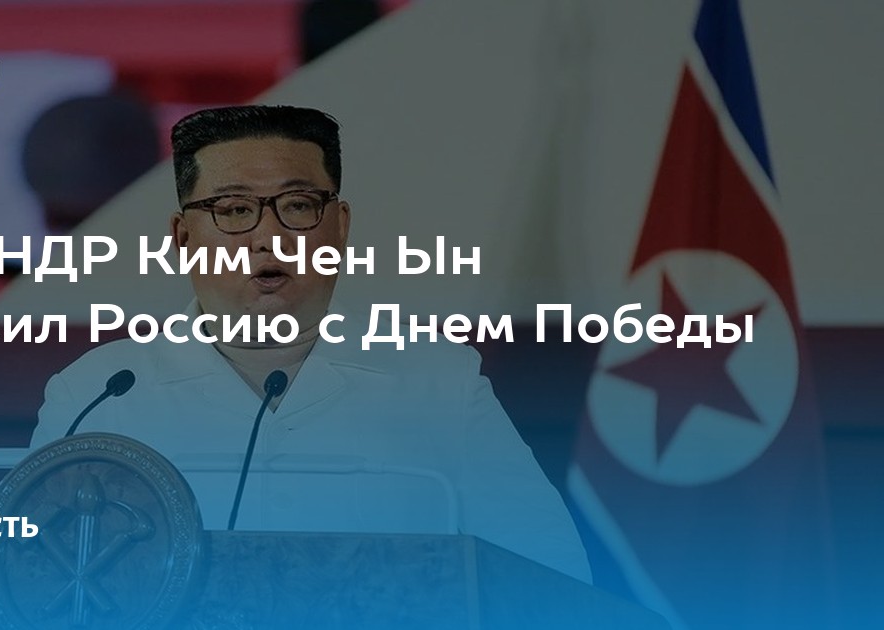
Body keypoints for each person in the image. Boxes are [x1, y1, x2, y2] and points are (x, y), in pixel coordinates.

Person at [31, 105, 592, 583]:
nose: (268, 236)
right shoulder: (96, 396)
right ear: (183, 238)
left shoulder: (440, 381)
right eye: (234, 210)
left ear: (340, 226)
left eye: (298, 206)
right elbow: (30, 575)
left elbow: (554, 575)